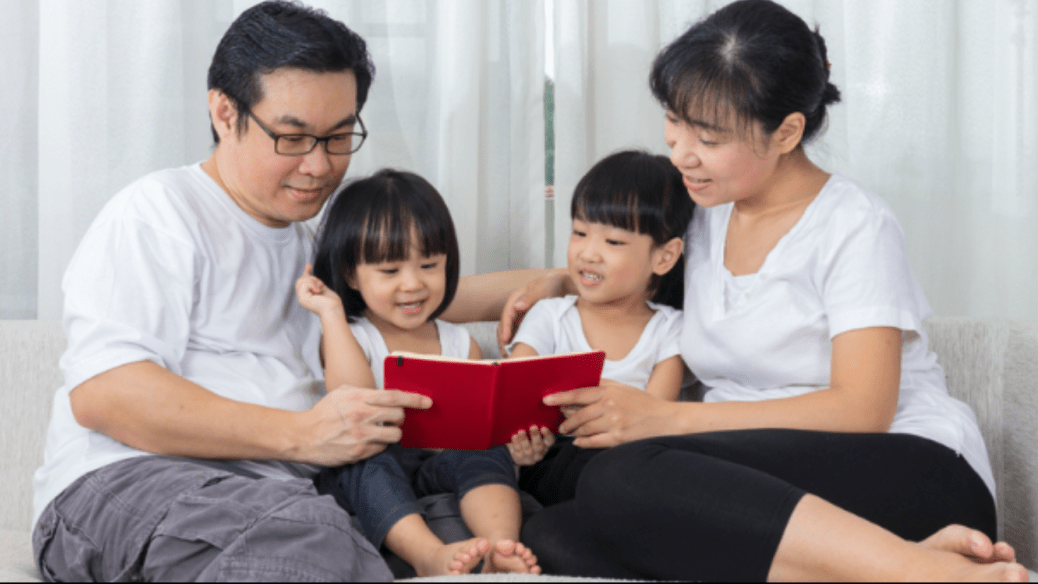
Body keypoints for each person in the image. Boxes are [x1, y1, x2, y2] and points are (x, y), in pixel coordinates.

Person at [495, 1, 1030, 580]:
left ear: (787, 132)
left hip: (910, 468)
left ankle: (926, 573)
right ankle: (892, 561)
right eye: (674, 120)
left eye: (708, 137)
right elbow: (608, 262)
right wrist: (551, 280)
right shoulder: (700, 212)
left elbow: (864, 409)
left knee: (620, 477)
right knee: (552, 532)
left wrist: (664, 419)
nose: (681, 153)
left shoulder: (854, 223)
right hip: (758, 480)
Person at [31, 3, 430, 581]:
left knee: (443, 524)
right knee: (306, 539)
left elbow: (418, 291)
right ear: (225, 112)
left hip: (272, 497)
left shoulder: (315, 244)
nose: (319, 165)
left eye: (340, 137)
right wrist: (305, 435)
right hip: (127, 480)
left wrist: (553, 282)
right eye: (293, 137)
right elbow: (106, 394)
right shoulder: (159, 211)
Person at [295, 169, 542, 576]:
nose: (412, 284)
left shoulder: (461, 344)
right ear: (352, 275)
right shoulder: (351, 337)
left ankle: (500, 545)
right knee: (362, 456)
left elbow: (478, 430)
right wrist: (331, 313)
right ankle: (427, 555)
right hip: (370, 470)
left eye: (429, 265)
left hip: (435, 468)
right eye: (389, 271)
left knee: (486, 449)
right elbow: (352, 400)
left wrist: (516, 447)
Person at [507, 150, 693, 506]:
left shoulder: (670, 330)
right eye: (579, 233)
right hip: (557, 460)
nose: (588, 254)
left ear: (664, 256)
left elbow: (654, 418)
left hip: (631, 458)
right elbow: (513, 399)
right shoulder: (550, 316)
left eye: (613, 242)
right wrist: (524, 444)